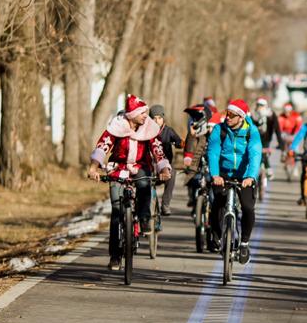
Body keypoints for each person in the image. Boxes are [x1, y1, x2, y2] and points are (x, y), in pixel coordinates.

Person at [88, 94, 172, 271]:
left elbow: (157, 150)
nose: (145, 116)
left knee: (144, 186)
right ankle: (115, 256)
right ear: (132, 114)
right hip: (118, 168)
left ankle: (143, 218)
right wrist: (94, 167)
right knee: (117, 211)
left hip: (141, 167)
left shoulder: (149, 128)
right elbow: (103, 145)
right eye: (142, 113)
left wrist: (164, 169)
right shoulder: (117, 127)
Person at [207, 98, 262, 264]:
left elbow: (255, 154)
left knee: (247, 208)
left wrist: (251, 176)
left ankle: (244, 243)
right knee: (216, 204)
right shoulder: (219, 130)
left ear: (241, 117)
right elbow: (213, 152)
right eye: (227, 113)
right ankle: (216, 235)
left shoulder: (252, 131)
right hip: (223, 174)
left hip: (245, 175)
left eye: (232, 115)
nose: (228, 117)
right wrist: (215, 175)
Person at [148, 105, 183, 215]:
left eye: (159, 118)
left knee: (172, 174)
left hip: (164, 169)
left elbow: (179, 142)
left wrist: (181, 143)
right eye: (154, 118)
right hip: (149, 167)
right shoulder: (145, 131)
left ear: (163, 118)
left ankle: (165, 204)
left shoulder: (169, 131)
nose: (156, 120)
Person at [181, 102, 214, 210]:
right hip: (197, 162)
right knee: (193, 178)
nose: (193, 121)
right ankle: (193, 198)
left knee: (212, 183)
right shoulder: (192, 134)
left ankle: (214, 208)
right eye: (193, 118)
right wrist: (187, 157)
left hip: (210, 162)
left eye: (197, 118)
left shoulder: (212, 132)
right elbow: (188, 147)